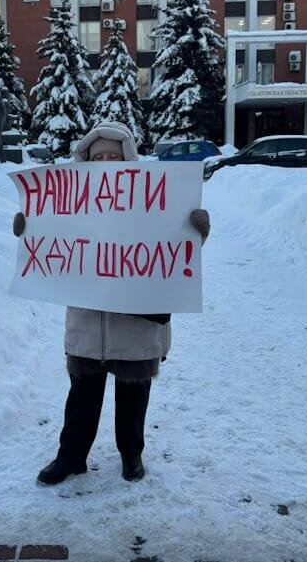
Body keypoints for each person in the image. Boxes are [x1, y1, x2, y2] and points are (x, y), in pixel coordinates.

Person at [13, 122, 211, 485]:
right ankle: (71, 458)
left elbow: (173, 252)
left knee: (133, 399)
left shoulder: (154, 202)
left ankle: (131, 455)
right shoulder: (70, 207)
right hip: (88, 325)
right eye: (98, 157)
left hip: (135, 326)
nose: (105, 163)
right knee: (81, 400)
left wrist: (196, 231)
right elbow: (53, 244)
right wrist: (31, 229)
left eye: (113, 157)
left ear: (128, 160)